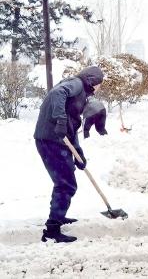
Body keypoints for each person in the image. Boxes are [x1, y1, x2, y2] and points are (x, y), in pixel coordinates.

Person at [34, 65, 104, 243]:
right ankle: (52, 229)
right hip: (50, 139)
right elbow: (57, 93)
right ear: (92, 80)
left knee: (65, 178)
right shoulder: (76, 84)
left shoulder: (81, 95)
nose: (99, 88)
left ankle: (59, 215)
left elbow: (71, 129)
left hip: (56, 140)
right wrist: (60, 119)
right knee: (66, 184)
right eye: (99, 84)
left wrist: (78, 154)